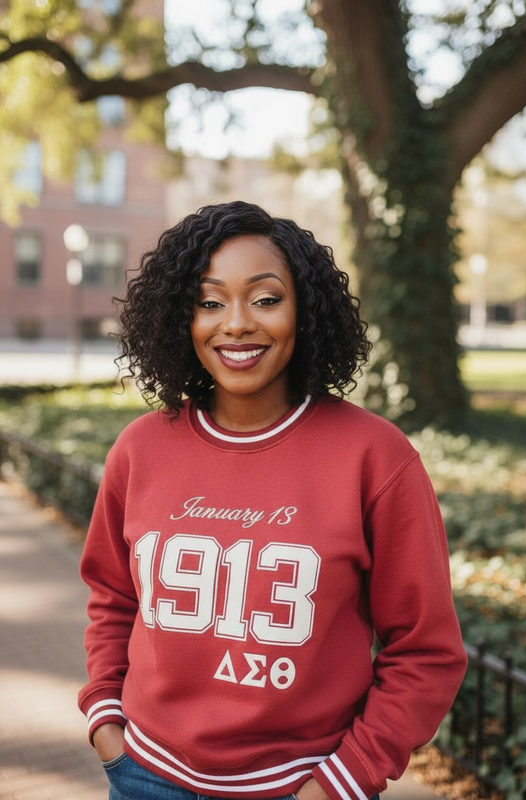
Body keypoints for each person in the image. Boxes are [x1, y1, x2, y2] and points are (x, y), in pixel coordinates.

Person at [78, 200, 467, 800]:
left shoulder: (375, 458)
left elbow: (426, 652)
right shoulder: (141, 449)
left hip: (303, 786)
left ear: (304, 311)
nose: (235, 323)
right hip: (145, 775)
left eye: (265, 298)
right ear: (181, 317)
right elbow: (112, 595)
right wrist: (106, 718)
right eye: (209, 302)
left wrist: (338, 783)